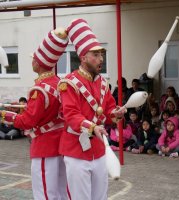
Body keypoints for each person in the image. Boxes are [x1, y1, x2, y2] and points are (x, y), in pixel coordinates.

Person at [58, 18, 126, 200]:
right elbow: (71, 115)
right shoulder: (69, 83)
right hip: (76, 151)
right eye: (95, 55)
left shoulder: (103, 83)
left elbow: (109, 110)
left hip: (98, 149)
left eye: (101, 55)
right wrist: (93, 127)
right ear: (83, 57)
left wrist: (116, 114)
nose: (100, 59)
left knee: (100, 197)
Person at [0, 28, 69, 199]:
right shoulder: (59, 83)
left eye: (33, 59)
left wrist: (4, 115)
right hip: (61, 143)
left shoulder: (39, 89)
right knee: (62, 191)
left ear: (38, 63)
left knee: (44, 193)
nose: (32, 62)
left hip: (45, 146)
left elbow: (28, 121)